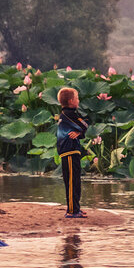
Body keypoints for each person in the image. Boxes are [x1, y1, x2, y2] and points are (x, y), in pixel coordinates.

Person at [56, 87, 89, 218]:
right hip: (68, 151)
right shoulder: (69, 114)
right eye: (77, 98)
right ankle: (71, 211)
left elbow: (81, 127)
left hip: (72, 151)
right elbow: (85, 125)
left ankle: (76, 208)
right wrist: (81, 131)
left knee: (75, 180)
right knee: (71, 181)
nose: (78, 100)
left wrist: (79, 133)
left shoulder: (68, 114)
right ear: (71, 101)